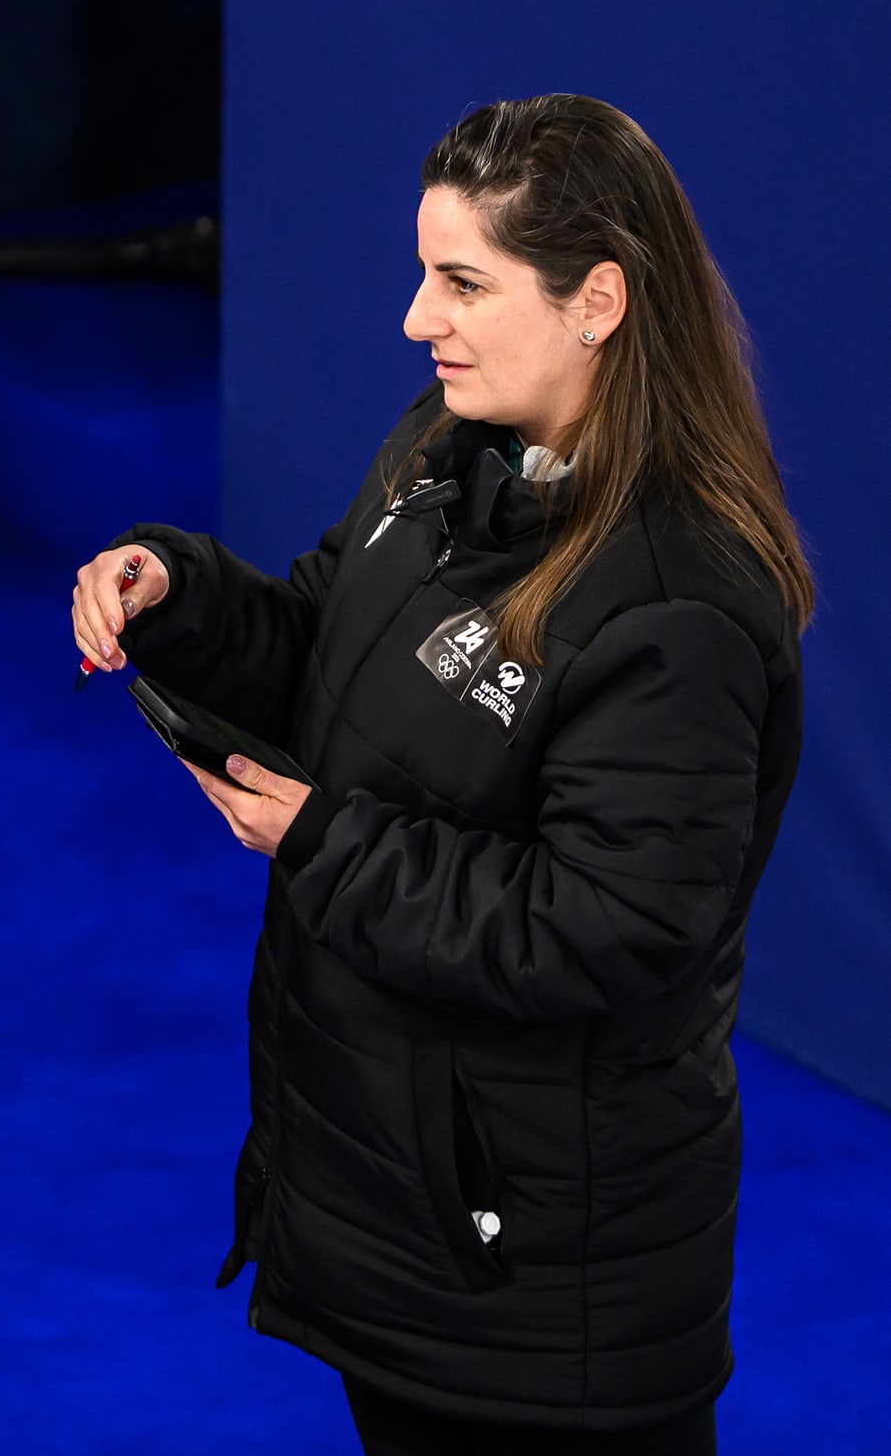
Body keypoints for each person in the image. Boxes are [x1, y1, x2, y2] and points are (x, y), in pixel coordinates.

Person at [74, 95, 809, 1454]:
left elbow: (604, 925)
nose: (420, 318)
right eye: (426, 274)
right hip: (408, 1240)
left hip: (540, 1301)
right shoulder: (446, 446)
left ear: (598, 301)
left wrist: (321, 840)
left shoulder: (679, 606)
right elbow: (328, 641)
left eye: (463, 282)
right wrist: (177, 592)